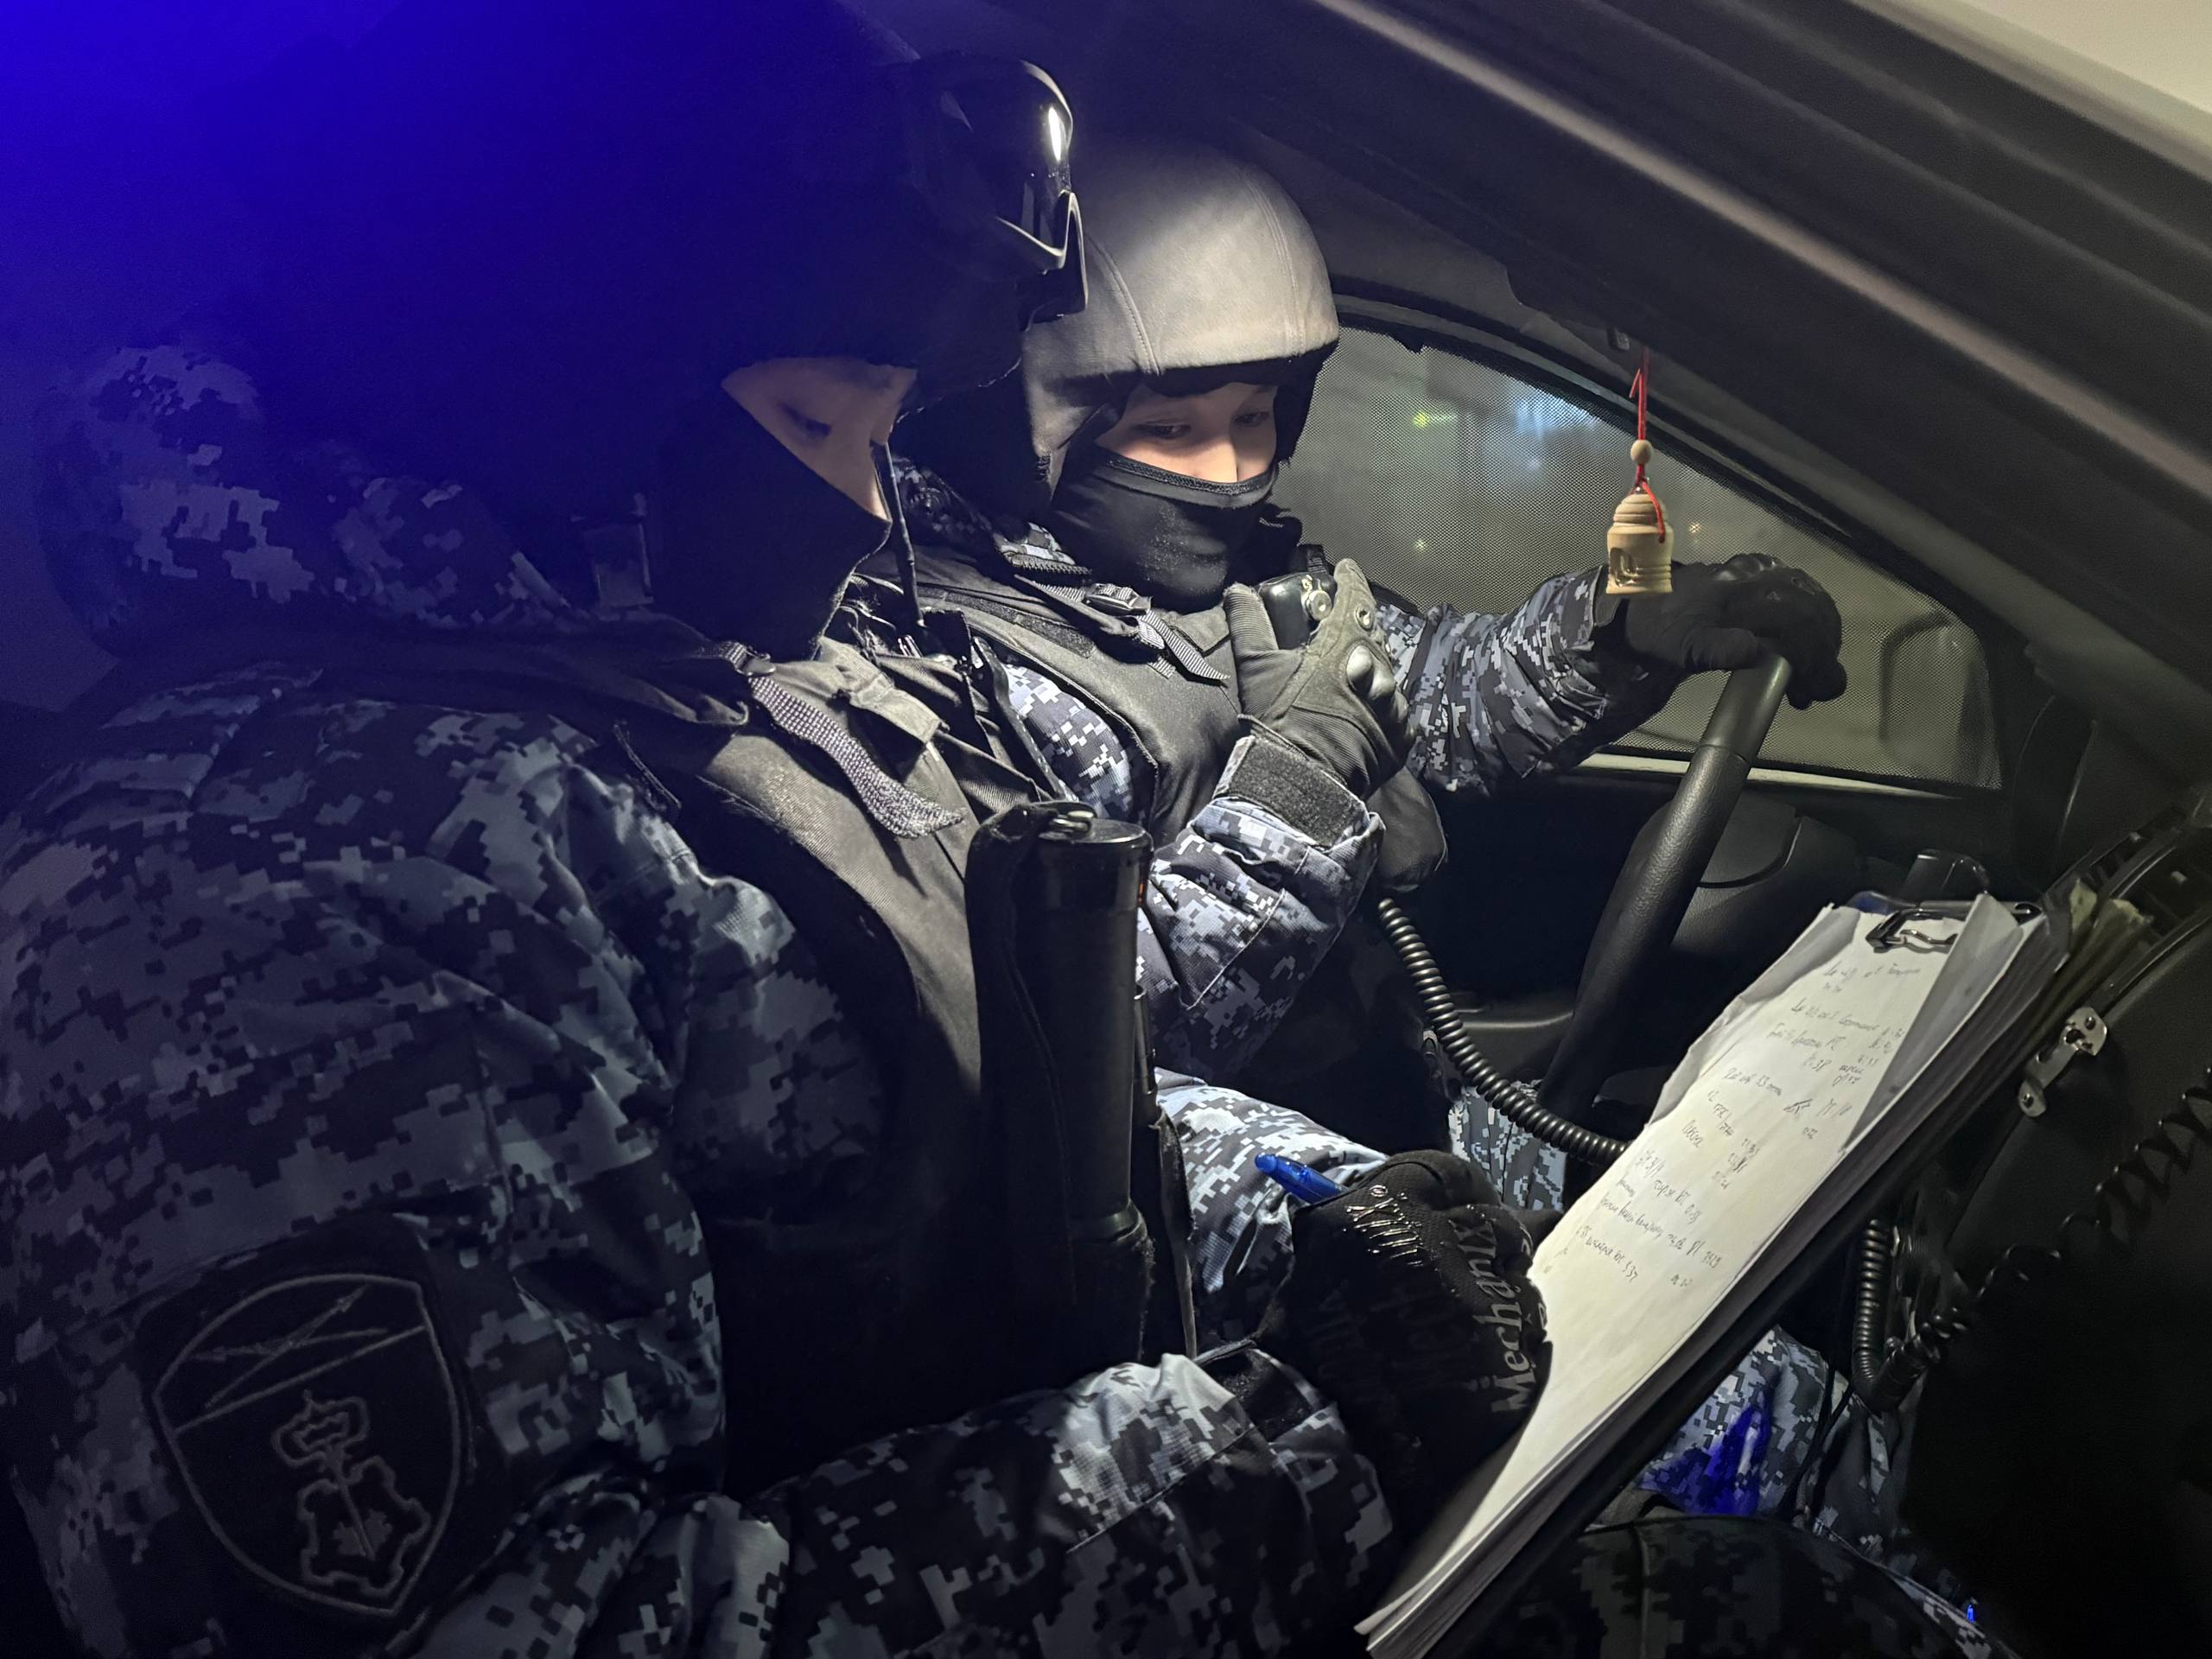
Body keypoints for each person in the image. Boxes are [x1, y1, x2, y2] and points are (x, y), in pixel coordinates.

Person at [0, 10, 2011, 1656]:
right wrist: (1306, 1429)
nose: (869, 508)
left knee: (1778, 1491)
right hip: (1172, 1507)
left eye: (882, 429)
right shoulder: (244, 901)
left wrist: (1326, 1223)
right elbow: (528, 1624)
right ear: (554, 385)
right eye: (817, 423)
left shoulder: (687, 686)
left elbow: (978, 1081)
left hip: (1147, 1453)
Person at [892, 141, 1850, 1200]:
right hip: (1238, 1207)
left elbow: (1431, 695)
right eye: (1170, 429)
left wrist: (1618, 628)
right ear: (1037, 439)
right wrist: (1302, 780)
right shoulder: (948, 671)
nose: (1230, 471)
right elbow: (1084, 1044)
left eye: (1254, 417)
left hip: (1388, 1108)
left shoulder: (1234, 581)